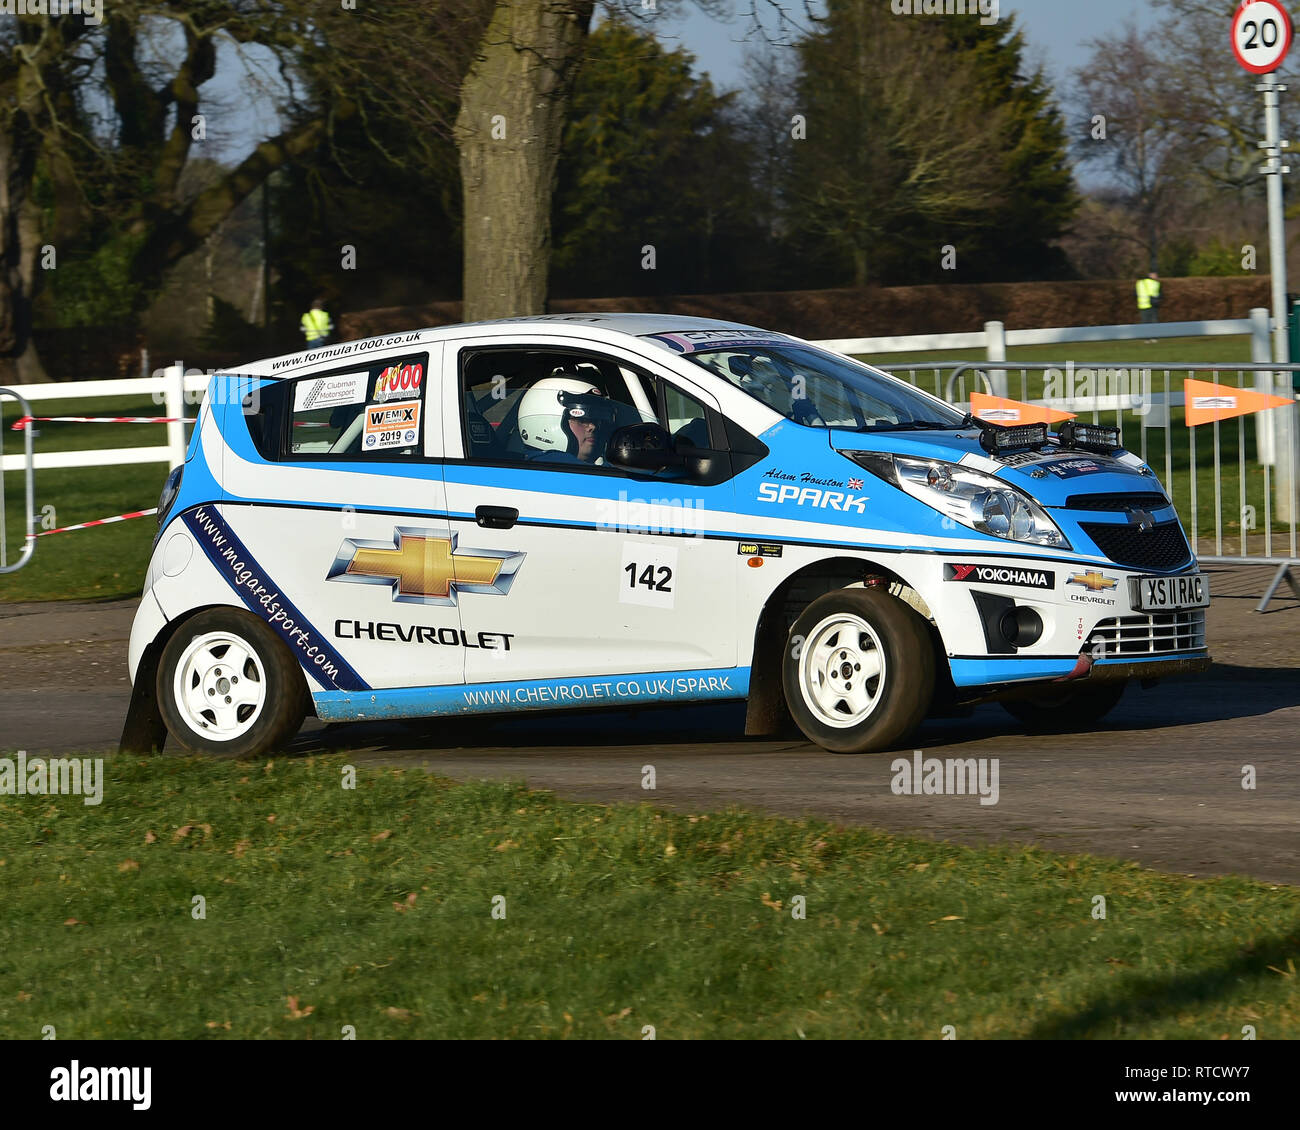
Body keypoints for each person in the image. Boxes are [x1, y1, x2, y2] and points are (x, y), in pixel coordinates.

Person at [516, 376, 617, 464]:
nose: (592, 427)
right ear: (545, 424)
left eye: (595, 420)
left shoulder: (533, 467)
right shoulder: (560, 468)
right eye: (581, 420)